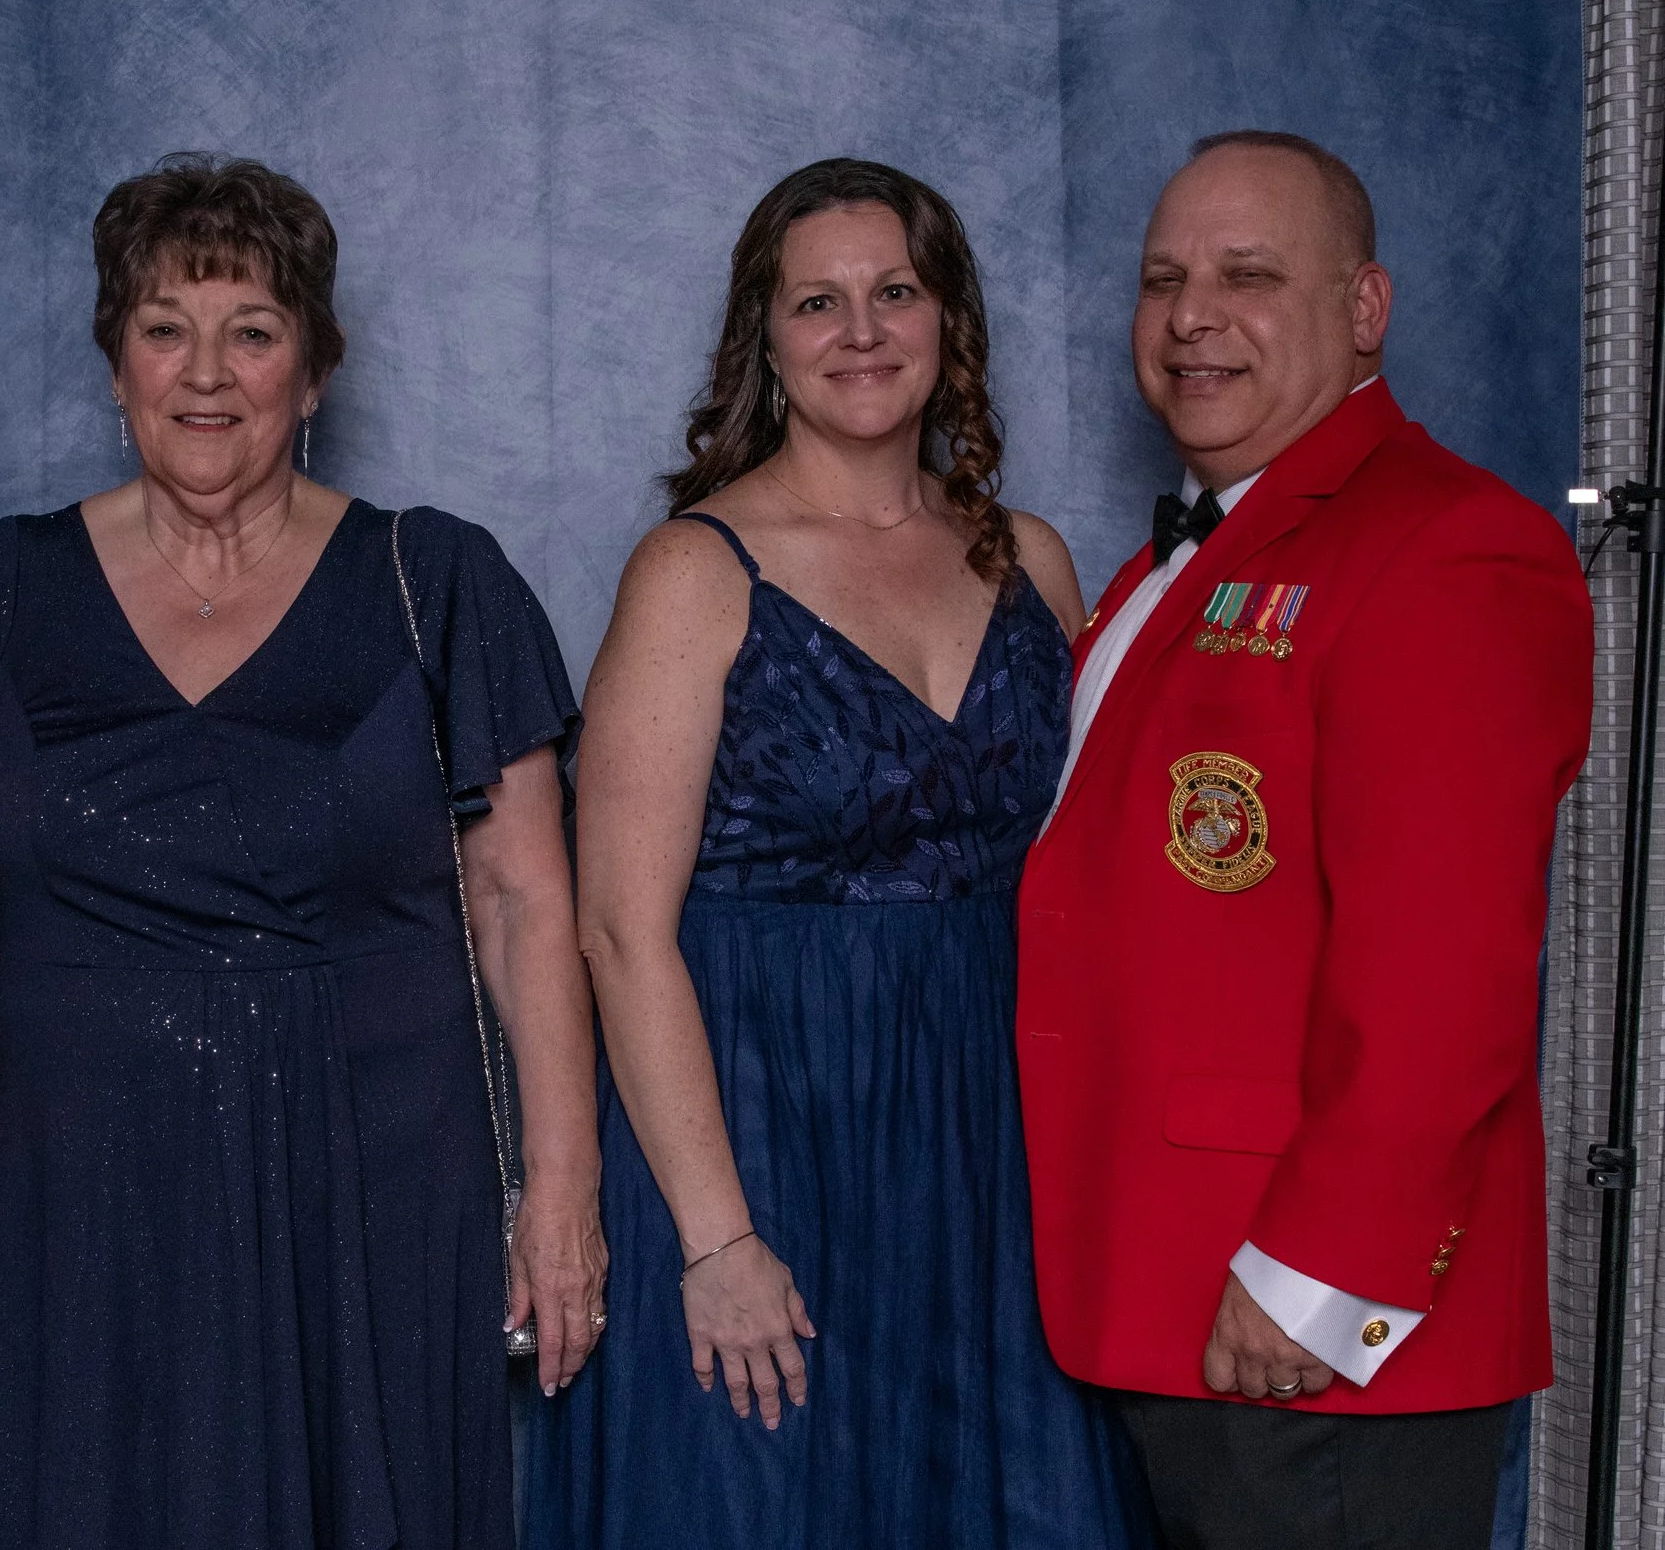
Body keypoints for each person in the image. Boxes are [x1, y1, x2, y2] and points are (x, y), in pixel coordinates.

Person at [0, 154, 605, 1550]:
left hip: (371, 1196)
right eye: (165, 326)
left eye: (253, 329)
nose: (206, 372)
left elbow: (531, 903)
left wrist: (564, 1191)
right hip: (87, 1212)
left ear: (316, 368)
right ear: (113, 362)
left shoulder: (441, 579)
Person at [528, 159, 1147, 1548]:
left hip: (991, 1150)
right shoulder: (695, 571)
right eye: (820, 301)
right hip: (760, 1126)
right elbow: (621, 930)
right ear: (769, 338)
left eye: (895, 293)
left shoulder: (1030, 563)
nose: (861, 331)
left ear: (949, 322)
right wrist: (716, 1237)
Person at [1016, 131, 1593, 1549]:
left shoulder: (1448, 544)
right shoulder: (1193, 554)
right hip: (1173, 1282)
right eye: (1165, 278)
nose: (1192, 315)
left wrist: (1320, 1274)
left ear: (1364, 309)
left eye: (1250, 275)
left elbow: (1445, 973)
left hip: (1307, 1322)